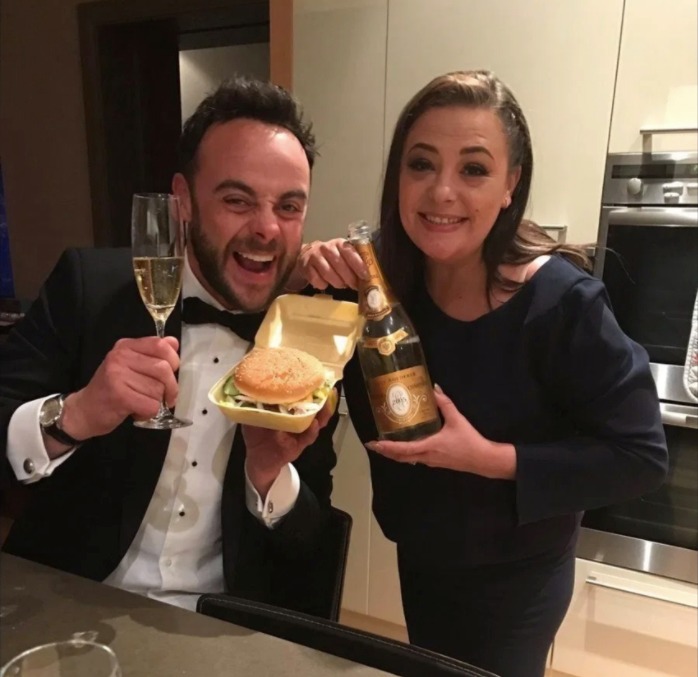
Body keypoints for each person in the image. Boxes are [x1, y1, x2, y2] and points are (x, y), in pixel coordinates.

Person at [296, 70, 668, 677]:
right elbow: (308, 375)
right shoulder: (375, 281)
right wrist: (306, 278)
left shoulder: (562, 305)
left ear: (510, 185)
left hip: (517, 577)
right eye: (420, 164)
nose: (441, 191)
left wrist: (488, 457)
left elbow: (641, 456)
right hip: (421, 555)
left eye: (473, 169)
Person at [0, 76, 340, 615]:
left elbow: (310, 542)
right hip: (69, 604)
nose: (268, 229)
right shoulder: (88, 286)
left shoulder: (309, 341)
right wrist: (74, 416)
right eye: (237, 200)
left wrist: (269, 476)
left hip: (217, 628)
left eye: (290, 207)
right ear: (182, 200)